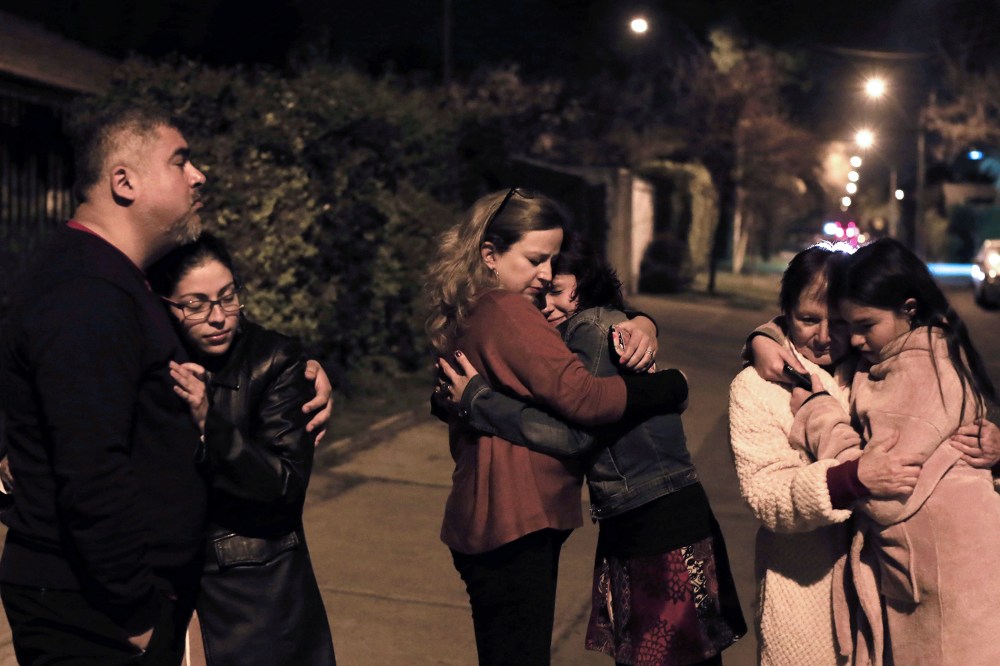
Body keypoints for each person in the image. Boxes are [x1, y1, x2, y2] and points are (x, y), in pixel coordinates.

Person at [438, 231, 746, 666]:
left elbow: (575, 433)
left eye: (557, 291)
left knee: (675, 657)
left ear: (584, 285)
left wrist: (479, 401)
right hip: (635, 515)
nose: (546, 304)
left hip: (659, 518)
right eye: (542, 292)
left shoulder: (592, 328)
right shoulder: (575, 332)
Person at [0, 106, 210, 664]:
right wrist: (134, 611)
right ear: (124, 181)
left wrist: (289, 366)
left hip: (106, 601)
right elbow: (91, 466)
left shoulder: (107, 278)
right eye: (180, 160)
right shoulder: (88, 292)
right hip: (94, 610)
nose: (199, 175)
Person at [790, 238, 1000, 665]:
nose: (855, 339)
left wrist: (817, 413)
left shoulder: (921, 368)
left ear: (907, 309)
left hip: (947, 582)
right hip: (944, 573)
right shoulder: (922, 350)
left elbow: (881, 491)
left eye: (866, 324)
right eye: (850, 324)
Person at [728, 243, 925, 666]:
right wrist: (847, 480)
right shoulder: (755, 388)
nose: (822, 336)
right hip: (802, 593)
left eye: (837, 322)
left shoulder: (881, 371)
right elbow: (767, 494)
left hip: (889, 594)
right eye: (807, 320)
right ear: (785, 314)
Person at [148, 233, 335, 666]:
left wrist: (209, 425)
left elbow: (285, 483)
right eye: (195, 303)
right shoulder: (148, 359)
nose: (218, 317)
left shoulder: (274, 359)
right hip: (163, 586)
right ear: (165, 305)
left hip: (255, 592)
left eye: (228, 297)